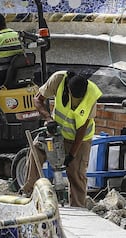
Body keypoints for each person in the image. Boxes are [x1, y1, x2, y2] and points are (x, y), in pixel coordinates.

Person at [22, 70, 102, 207]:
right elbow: (37, 99)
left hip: (80, 139)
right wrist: (48, 119)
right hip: (57, 131)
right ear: (68, 89)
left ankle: (78, 210)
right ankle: (28, 194)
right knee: (36, 150)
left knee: (76, 174)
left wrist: (72, 154)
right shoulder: (58, 80)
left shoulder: (92, 94)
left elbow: (82, 129)